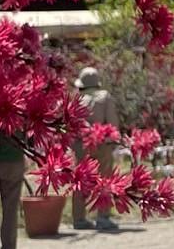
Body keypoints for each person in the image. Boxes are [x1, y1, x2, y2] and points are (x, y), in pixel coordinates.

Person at [70, 67, 120, 231]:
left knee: (81, 180)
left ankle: (79, 219)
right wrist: (112, 142)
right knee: (104, 180)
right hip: (102, 144)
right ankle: (103, 217)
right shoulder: (105, 97)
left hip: (81, 146)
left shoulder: (76, 99)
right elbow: (112, 123)